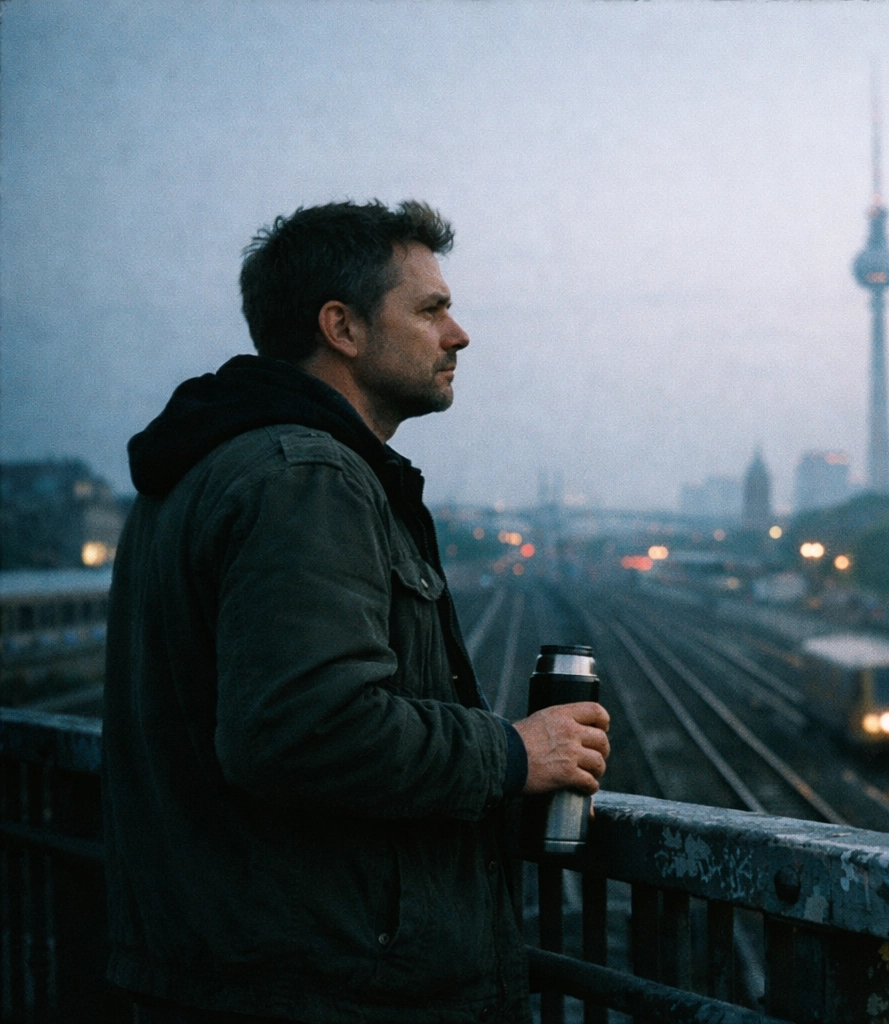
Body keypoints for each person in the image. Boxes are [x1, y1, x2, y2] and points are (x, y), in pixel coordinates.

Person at [103, 200, 612, 1024]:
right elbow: (304, 729)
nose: (458, 335)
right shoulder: (307, 478)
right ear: (341, 327)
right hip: (323, 983)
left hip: (224, 962)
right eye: (430, 309)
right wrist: (517, 752)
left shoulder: (201, 469)